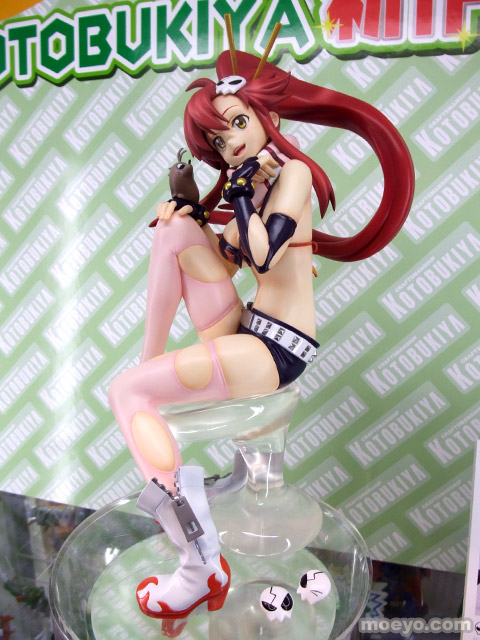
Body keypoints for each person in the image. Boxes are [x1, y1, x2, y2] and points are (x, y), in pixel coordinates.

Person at [108, 49, 414, 620]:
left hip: (276, 348)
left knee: (126, 392)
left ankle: (199, 563)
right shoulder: (251, 183)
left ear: (266, 117)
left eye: (238, 123)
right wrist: (191, 206)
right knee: (172, 231)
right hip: (245, 326)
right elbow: (227, 264)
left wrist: (242, 193)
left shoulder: (291, 176)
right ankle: (148, 364)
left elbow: (265, 254)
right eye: (218, 140)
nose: (230, 144)